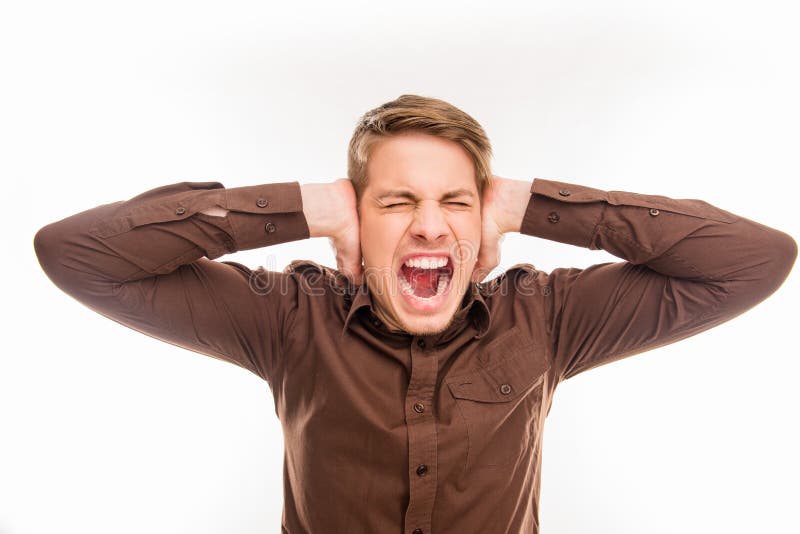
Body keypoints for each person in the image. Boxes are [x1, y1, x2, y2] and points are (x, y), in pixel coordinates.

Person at [33, 94, 797, 534]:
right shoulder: (287, 320)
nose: (429, 227)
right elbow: (78, 254)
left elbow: (754, 258)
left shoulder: (550, 318)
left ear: (482, 227)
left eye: (454, 204)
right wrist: (306, 206)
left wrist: (533, 203)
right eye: (396, 202)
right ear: (355, 221)